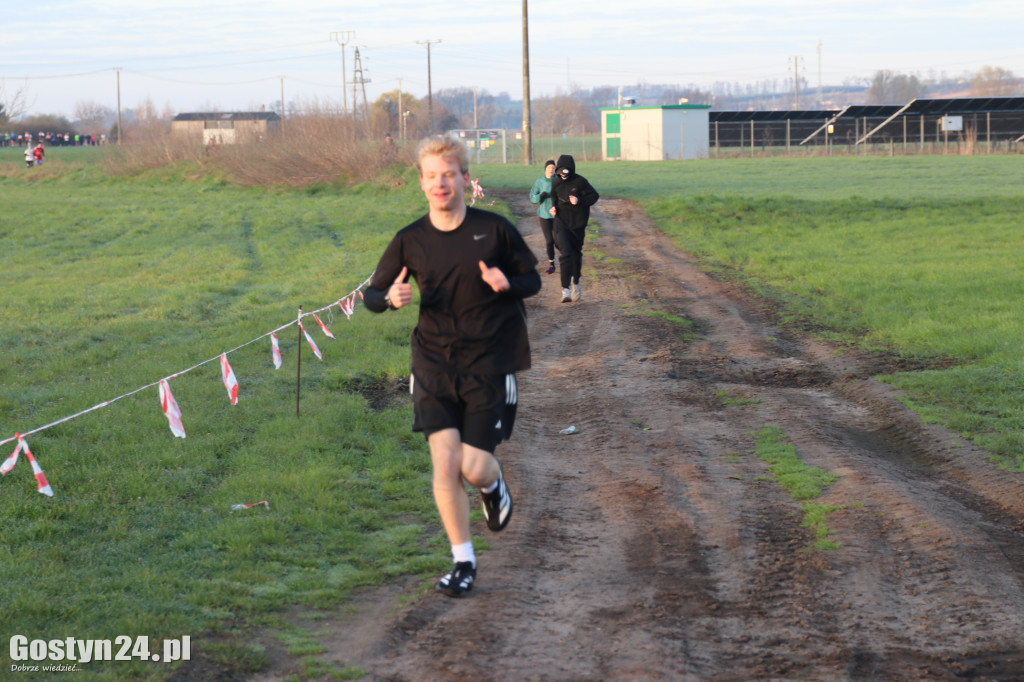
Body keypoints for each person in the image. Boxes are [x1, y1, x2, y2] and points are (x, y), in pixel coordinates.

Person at [364, 135, 541, 597]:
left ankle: (494, 485)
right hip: (433, 364)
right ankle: (463, 562)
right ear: (421, 183)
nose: (440, 183)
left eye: (449, 174)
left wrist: (508, 282)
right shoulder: (410, 240)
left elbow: (533, 278)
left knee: (474, 467)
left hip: (489, 362)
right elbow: (371, 295)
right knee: (444, 462)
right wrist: (389, 298)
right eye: (431, 176)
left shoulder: (494, 229)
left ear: (465, 179)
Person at [549, 154, 599, 303]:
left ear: (571, 170)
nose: (562, 174)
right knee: (565, 254)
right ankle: (565, 290)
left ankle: (575, 282)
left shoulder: (581, 182)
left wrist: (579, 200)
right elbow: (554, 196)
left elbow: (594, 196)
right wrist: (553, 207)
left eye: (565, 171)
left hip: (578, 224)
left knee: (576, 254)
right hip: (561, 223)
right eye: (560, 171)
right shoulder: (556, 183)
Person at [529, 160, 557, 275]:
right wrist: (540, 196)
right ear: (545, 169)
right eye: (549, 167)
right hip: (544, 215)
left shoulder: (558, 181)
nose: (551, 170)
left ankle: (568, 259)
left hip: (557, 214)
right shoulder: (539, 182)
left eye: (553, 168)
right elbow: (532, 197)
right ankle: (552, 264)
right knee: (549, 240)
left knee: (559, 241)